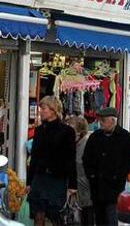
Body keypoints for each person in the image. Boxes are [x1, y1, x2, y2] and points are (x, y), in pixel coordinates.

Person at [27, 96, 77, 226]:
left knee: (55, 215)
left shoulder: (67, 131)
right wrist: (29, 181)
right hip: (40, 176)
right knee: (38, 213)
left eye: (43, 108)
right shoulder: (39, 130)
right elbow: (34, 156)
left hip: (57, 178)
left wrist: (72, 184)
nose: (41, 111)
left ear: (53, 110)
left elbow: (71, 158)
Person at [83, 107, 130, 226]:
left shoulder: (125, 137)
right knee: (100, 218)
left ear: (112, 121)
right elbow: (86, 158)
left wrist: (118, 175)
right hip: (97, 186)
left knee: (111, 218)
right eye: (100, 120)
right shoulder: (95, 137)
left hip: (115, 188)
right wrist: (91, 175)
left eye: (103, 120)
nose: (100, 123)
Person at [66, 116, 94, 226]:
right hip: (77, 193)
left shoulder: (87, 145)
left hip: (86, 193)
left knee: (87, 219)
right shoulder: (74, 145)